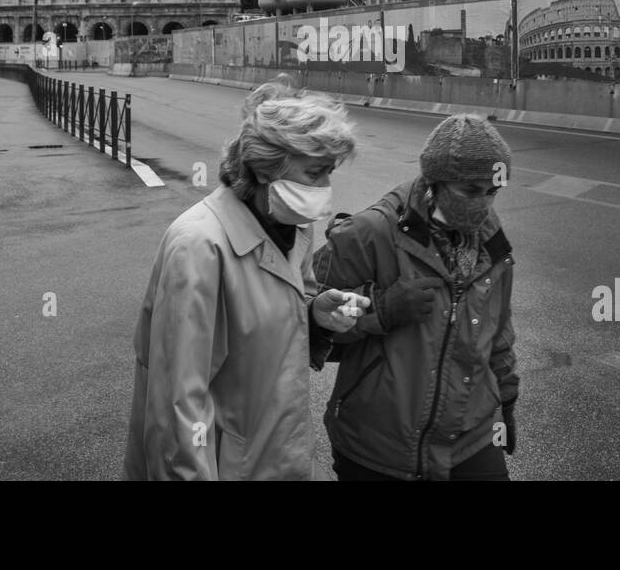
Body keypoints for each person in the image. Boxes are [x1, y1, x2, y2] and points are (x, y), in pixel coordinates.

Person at [123, 79, 368, 480]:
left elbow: (271, 321)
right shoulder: (199, 246)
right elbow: (178, 410)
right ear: (265, 166)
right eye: (316, 173)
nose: (326, 189)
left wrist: (315, 314)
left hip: (281, 458)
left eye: (330, 173)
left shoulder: (293, 226)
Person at [312, 113, 519, 481]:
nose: (485, 204)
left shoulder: (491, 238)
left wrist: (507, 399)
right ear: (433, 183)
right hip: (378, 448)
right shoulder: (368, 233)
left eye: (493, 191)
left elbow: (498, 333)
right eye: (471, 191)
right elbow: (309, 329)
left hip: (470, 439)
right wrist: (381, 308)